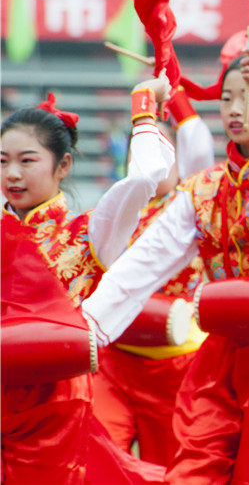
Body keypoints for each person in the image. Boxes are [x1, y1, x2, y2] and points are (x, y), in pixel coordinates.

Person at [81, 46, 249, 485]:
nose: (236, 108)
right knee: (193, 466)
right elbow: (145, 262)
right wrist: (86, 330)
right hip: (218, 347)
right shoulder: (202, 188)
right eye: (228, 97)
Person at [1, 78, 175, 482]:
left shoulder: (89, 233)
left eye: (27, 161)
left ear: (63, 166)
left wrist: (144, 103)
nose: (12, 173)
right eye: (2, 161)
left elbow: (144, 177)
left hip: (57, 412)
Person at [91, 88, 214, 466]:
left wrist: (172, 89)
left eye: (167, 150)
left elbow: (199, 145)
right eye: (145, 150)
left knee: (171, 469)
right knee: (99, 457)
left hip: (178, 365)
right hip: (113, 360)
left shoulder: (193, 205)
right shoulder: (116, 210)